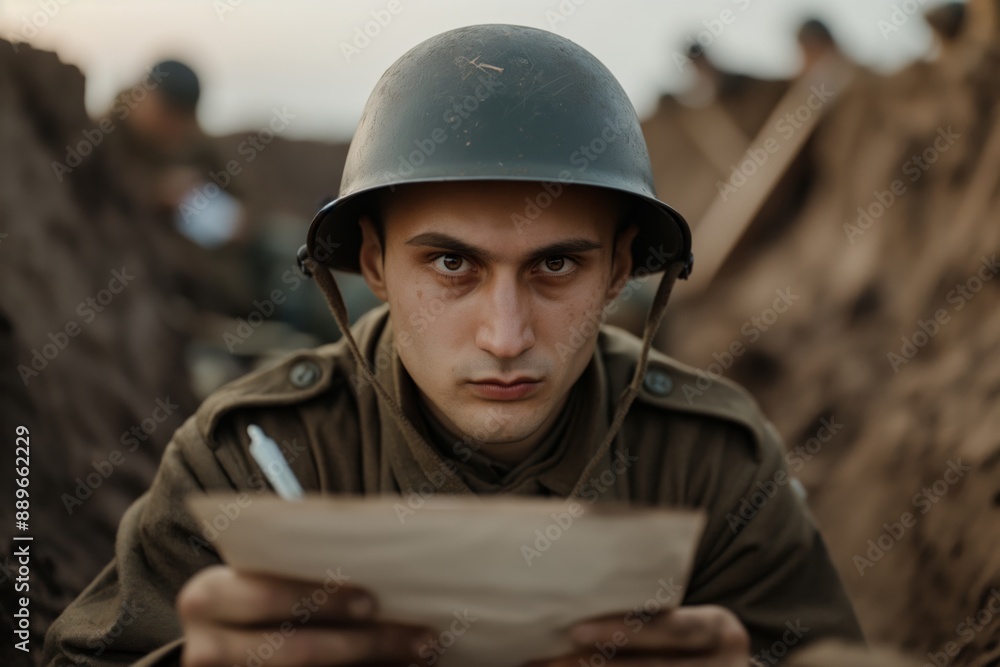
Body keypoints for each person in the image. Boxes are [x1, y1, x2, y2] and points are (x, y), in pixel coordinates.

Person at [43, 24, 863, 666]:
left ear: (620, 271)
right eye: (450, 263)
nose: (505, 337)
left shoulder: (712, 464)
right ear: (373, 265)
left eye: (555, 265)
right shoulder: (252, 461)